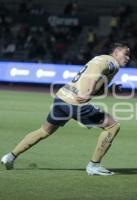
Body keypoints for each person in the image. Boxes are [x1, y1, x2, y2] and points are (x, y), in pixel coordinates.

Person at [1, 42, 130, 176]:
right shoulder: (111, 62)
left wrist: (109, 89)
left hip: (62, 97)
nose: (128, 57)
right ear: (115, 53)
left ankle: (10, 156)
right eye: (125, 54)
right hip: (75, 103)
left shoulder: (100, 58)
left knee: (44, 131)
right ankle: (94, 165)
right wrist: (88, 91)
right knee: (113, 126)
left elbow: (96, 86)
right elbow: (95, 73)